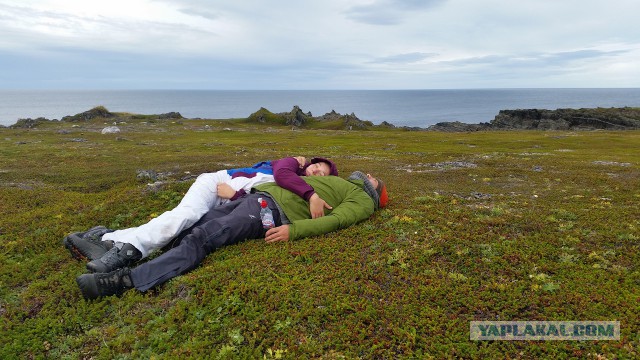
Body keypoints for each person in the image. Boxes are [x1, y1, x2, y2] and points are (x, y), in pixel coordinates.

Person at [76, 171, 388, 299]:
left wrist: (295, 230)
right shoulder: (340, 181)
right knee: (193, 227)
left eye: (377, 180)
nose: (372, 176)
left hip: (270, 211)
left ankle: (126, 280)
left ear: (377, 194)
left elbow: (337, 221)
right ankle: (121, 253)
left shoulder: (363, 200)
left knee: (204, 237)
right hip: (255, 198)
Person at [64, 156, 339, 273]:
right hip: (214, 184)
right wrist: (312, 195)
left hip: (228, 199)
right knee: (188, 214)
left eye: (323, 175)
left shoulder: (295, 188)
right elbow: (279, 175)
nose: (317, 173)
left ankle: (106, 238)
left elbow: (258, 197)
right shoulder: (290, 166)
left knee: (182, 224)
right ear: (310, 163)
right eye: (317, 167)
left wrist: (237, 197)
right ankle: (123, 254)